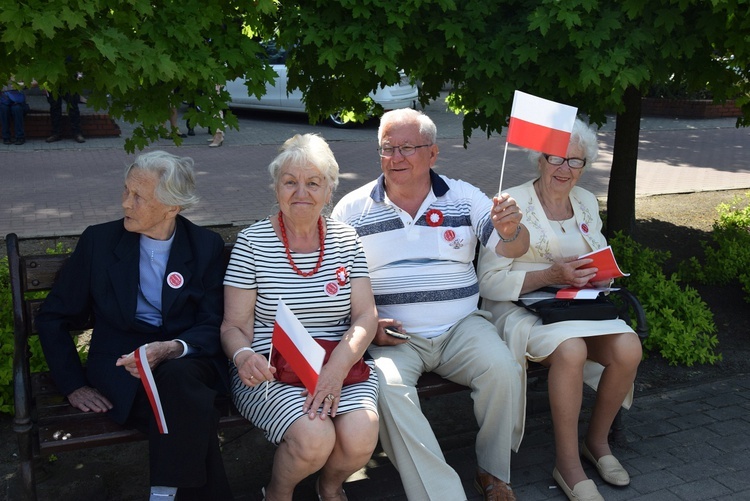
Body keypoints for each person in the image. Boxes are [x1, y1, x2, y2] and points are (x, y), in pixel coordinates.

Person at [332, 108, 529, 501]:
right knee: (387, 390)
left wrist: (511, 230)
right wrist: (368, 324)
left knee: (503, 370)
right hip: (393, 335)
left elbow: (514, 246)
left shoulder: (464, 196)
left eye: (407, 147)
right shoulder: (351, 211)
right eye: (387, 148)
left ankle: (492, 474)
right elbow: (335, 286)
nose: (396, 157)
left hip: (461, 327)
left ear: (433, 154)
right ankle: (441, 494)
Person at [36, 151, 233, 500]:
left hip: (186, 358)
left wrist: (172, 348)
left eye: (138, 196)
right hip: (120, 363)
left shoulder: (205, 246)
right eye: (126, 191)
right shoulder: (100, 242)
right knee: (188, 407)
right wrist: (73, 384)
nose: (125, 202)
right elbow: (53, 316)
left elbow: (212, 320)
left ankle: (163, 491)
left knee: (177, 379)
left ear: (173, 207)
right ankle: (169, 491)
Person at [476, 119, 643, 501]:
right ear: (540, 159)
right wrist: (552, 273)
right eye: (556, 158)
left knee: (629, 347)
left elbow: (595, 256)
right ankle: (567, 463)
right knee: (572, 349)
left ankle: (597, 443)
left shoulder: (584, 200)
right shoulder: (509, 204)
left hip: (576, 306)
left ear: (584, 166)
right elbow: (489, 283)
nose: (564, 169)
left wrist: (598, 276)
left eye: (575, 161)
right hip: (522, 308)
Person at [222, 133, 379, 501]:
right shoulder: (252, 243)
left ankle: (330, 486)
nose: (301, 192)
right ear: (276, 188)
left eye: (313, 183)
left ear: (330, 191)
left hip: (339, 360)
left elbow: (365, 316)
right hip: (271, 366)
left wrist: (336, 369)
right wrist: (243, 356)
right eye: (290, 182)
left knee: (361, 437)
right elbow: (234, 326)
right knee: (314, 437)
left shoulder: (347, 238)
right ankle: (278, 492)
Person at [1, 80, 30, 145]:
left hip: (19, 102)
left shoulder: (22, 72)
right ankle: (6, 137)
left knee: (16, 109)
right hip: (5, 101)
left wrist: (21, 84)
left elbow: (34, 83)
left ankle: (20, 137)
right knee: (4, 109)